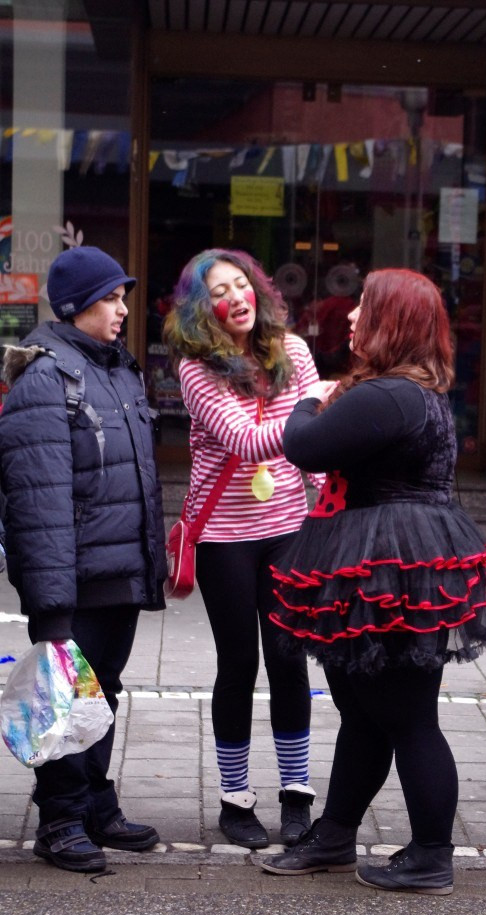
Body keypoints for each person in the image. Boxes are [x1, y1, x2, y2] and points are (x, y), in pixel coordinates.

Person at [259, 268, 486, 895]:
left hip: (389, 563)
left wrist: (311, 395)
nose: (350, 315)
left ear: (390, 321)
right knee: (364, 710)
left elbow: (304, 446)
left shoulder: (390, 395)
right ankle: (335, 836)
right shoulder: (409, 393)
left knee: (405, 715)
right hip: (394, 556)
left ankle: (430, 855)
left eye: (363, 306)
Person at [0, 245, 166, 873]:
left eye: (123, 296)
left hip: (118, 570)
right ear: (75, 307)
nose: (123, 308)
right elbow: (37, 497)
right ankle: (61, 819)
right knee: (61, 700)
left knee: (104, 693)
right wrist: (51, 600)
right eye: (111, 298)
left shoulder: (119, 372)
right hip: (73, 578)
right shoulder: (47, 376)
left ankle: (97, 804)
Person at [162, 249, 323, 849]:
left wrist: (328, 501)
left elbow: (319, 449)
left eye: (241, 284)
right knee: (239, 665)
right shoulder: (197, 370)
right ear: (204, 311)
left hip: (287, 528)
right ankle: (235, 801)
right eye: (219, 292)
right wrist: (313, 410)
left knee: (289, 660)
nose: (236, 297)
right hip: (225, 539)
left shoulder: (296, 352)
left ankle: (297, 796)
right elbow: (248, 440)